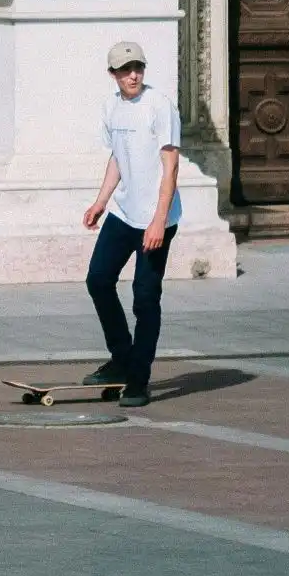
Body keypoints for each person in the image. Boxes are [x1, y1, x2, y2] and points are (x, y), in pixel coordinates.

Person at [79, 41, 182, 408]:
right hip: (124, 214)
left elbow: (171, 166)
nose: (133, 76)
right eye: (125, 70)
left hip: (157, 218)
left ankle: (138, 379)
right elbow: (117, 159)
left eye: (138, 68)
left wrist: (158, 222)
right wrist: (100, 201)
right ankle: (122, 358)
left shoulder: (159, 105)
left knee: (144, 297)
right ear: (113, 74)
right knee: (98, 279)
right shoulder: (111, 107)